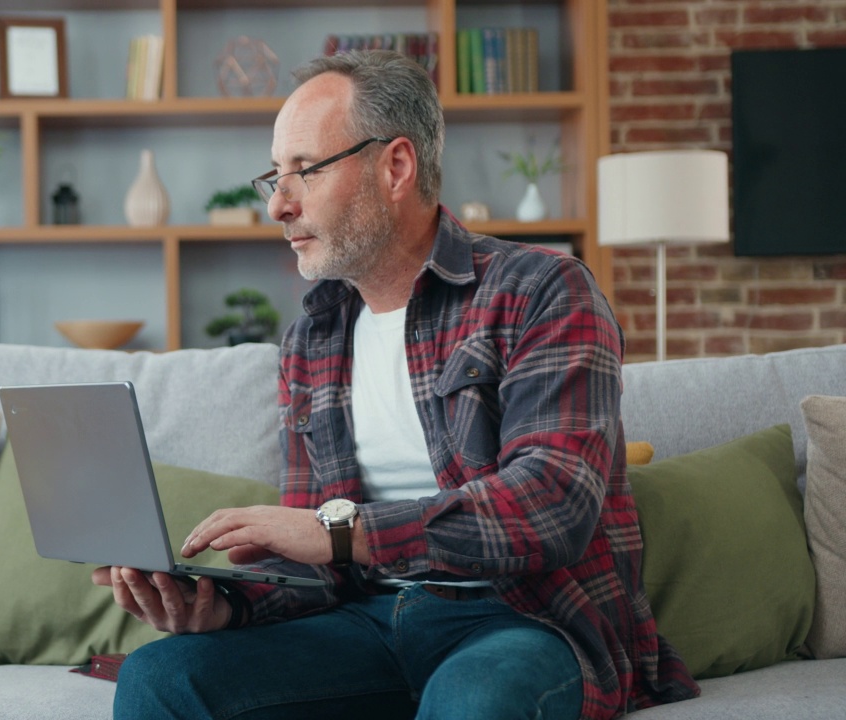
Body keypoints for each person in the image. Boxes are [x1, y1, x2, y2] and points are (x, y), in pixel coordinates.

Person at [92, 50, 699, 720]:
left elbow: (554, 502)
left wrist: (344, 531)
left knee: (475, 699)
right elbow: (318, 563)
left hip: (521, 621)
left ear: (396, 167)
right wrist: (224, 605)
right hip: (368, 621)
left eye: (305, 170)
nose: (279, 204)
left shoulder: (543, 290)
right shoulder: (314, 337)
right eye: (275, 176)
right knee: (159, 678)